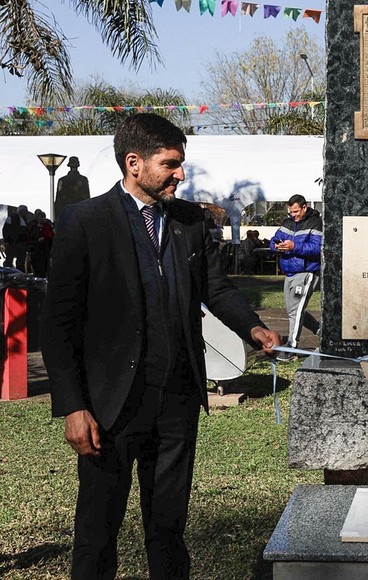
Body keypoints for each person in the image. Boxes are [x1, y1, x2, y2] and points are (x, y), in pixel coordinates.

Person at [41, 113, 281, 580]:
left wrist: (253, 328)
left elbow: (217, 287)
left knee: (168, 528)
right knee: (97, 530)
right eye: (171, 164)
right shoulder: (84, 221)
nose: (180, 174)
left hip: (177, 401)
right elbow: (58, 323)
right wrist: (73, 406)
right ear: (134, 163)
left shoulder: (189, 221)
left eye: (181, 163)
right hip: (109, 407)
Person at [270, 194, 322, 359]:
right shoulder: (287, 223)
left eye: (296, 211)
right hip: (289, 272)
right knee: (294, 310)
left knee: (296, 310)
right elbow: (273, 240)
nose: (293, 215)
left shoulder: (315, 223)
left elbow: (317, 248)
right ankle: (321, 331)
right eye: (291, 212)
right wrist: (277, 246)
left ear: (304, 207)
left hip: (306, 273)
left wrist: (294, 246)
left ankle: (292, 347)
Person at [26, 208, 53, 276]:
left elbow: (51, 236)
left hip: (45, 249)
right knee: (35, 264)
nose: (41, 220)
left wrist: (45, 238)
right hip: (35, 249)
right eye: (39, 218)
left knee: (45, 265)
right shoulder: (33, 226)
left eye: (42, 218)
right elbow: (29, 237)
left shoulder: (48, 226)